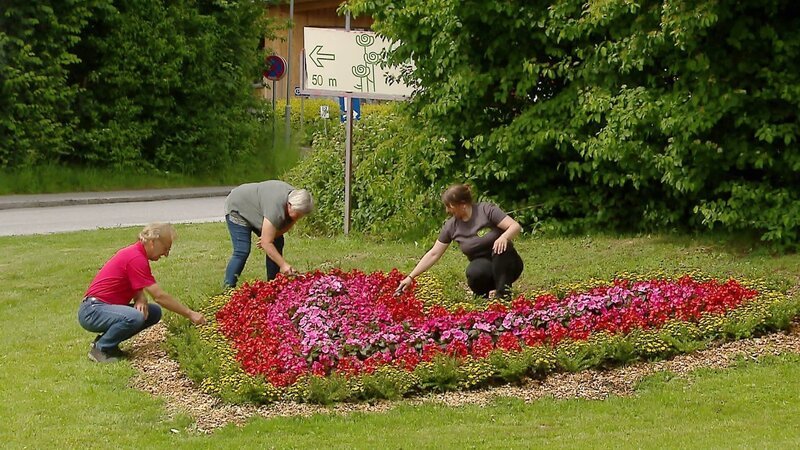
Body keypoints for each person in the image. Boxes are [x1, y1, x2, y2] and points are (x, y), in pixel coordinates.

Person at [78, 223, 206, 363]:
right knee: (135, 317)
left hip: (100, 308)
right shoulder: (136, 258)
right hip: (92, 310)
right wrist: (190, 314)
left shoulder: (136, 254)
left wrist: (140, 297)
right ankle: (101, 348)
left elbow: (132, 281)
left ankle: (108, 343)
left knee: (153, 312)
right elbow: (159, 296)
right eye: (165, 249)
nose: (166, 254)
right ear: (152, 242)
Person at [396, 184, 524, 298]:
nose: (447, 210)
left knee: (502, 248)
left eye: (450, 206)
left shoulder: (486, 210)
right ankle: (481, 298)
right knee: (474, 272)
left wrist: (503, 237)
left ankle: (503, 296)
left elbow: (515, 226)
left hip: (508, 264)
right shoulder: (451, 226)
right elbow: (433, 253)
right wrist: (410, 277)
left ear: (463, 204)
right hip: (484, 264)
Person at [223, 180, 313, 288]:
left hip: (259, 209)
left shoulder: (296, 199)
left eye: (300, 215)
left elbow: (287, 224)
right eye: (297, 214)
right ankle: (228, 288)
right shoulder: (275, 207)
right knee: (242, 250)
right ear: (289, 205)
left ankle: (272, 284)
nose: (297, 218)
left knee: (277, 242)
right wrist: (284, 265)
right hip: (238, 207)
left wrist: (271, 237)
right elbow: (267, 243)